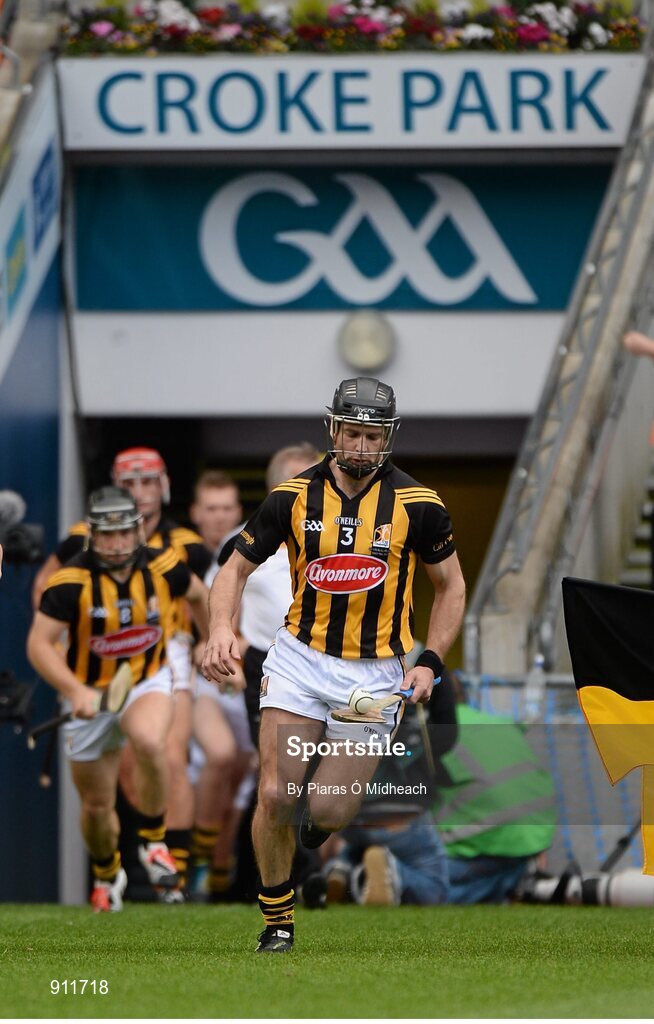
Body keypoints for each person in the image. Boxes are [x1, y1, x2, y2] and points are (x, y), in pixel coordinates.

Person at [202, 376, 466, 953]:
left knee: (328, 810)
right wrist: (221, 628)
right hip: (299, 659)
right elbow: (234, 569)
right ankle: (277, 922)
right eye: (353, 433)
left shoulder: (419, 505)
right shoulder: (292, 497)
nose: (362, 447)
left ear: (388, 436)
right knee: (274, 794)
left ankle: (311, 831)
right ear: (333, 429)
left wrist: (431, 661)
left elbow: (450, 588)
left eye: (374, 436)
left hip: (375, 674)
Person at [34, 448, 213, 892]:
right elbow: (38, 645)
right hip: (88, 687)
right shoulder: (69, 581)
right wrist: (72, 690)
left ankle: (154, 843)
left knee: (153, 742)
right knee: (97, 806)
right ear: (90, 535)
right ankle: (105, 871)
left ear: (138, 530)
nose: (116, 545)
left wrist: (210, 639)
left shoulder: (164, 562)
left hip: (146, 675)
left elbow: (199, 595)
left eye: (124, 534)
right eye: (106, 536)